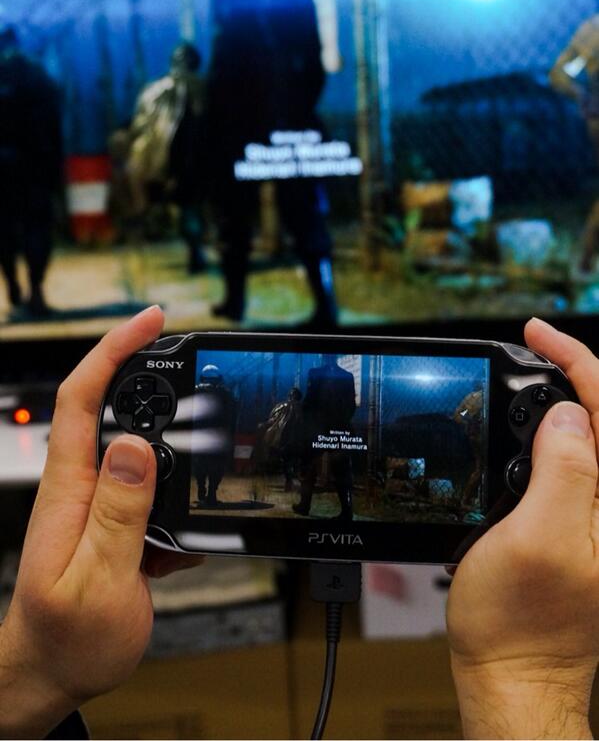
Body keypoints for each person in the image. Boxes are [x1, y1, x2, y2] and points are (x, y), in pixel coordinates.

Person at [1, 313, 599, 740]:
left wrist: (38, 671)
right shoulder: (329, 381)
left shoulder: (315, 381)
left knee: (321, 481)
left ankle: (323, 506)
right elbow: (338, 408)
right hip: (324, 437)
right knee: (330, 483)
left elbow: (319, 410)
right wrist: (526, 677)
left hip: (318, 437)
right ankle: (333, 507)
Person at [206, 0, 337, 326]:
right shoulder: (297, 1)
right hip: (277, 124)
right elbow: (314, 68)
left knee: (247, 216)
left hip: (249, 126)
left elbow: (221, 69)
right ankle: (319, 305)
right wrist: (297, 111)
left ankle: (239, 303)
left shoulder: (229, 1)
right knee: (295, 215)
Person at [0, 24, 62, 318]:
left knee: (4, 232)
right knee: (36, 229)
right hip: (35, 169)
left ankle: (12, 283)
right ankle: (35, 290)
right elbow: (54, 126)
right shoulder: (36, 75)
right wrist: (55, 172)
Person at [129, 42, 207, 272]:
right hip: (192, 159)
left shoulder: (153, 90)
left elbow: (138, 126)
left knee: (185, 207)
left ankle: (191, 248)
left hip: (160, 162)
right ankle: (195, 250)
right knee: (191, 206)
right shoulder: (203, 87)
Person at [550, 1, 599, 271]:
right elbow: (562, 74)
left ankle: (585, 260)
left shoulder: (592, 30)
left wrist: (583, 97)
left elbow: (561, 74)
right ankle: (585, 258)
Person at [293, 355, 356, 521]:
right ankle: (347, 511)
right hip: (339, 427)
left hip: (318, 427)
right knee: (342, 470)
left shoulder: (315, 373)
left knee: (308, 465)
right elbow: (351, 405)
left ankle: (304, 505)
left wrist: (307, 422)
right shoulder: (347, 376)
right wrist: (342, 421)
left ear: (323, 356)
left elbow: (309, 400)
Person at [192, 363, 236, 507]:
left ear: (202, 377)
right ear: (219, 378)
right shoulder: (227, 394)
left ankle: (201, 488)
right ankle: (212, 494)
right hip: (219, 437)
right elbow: (232, 416)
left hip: (199, 436)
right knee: (217, 466)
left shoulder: (194, 391)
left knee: (199, 464)